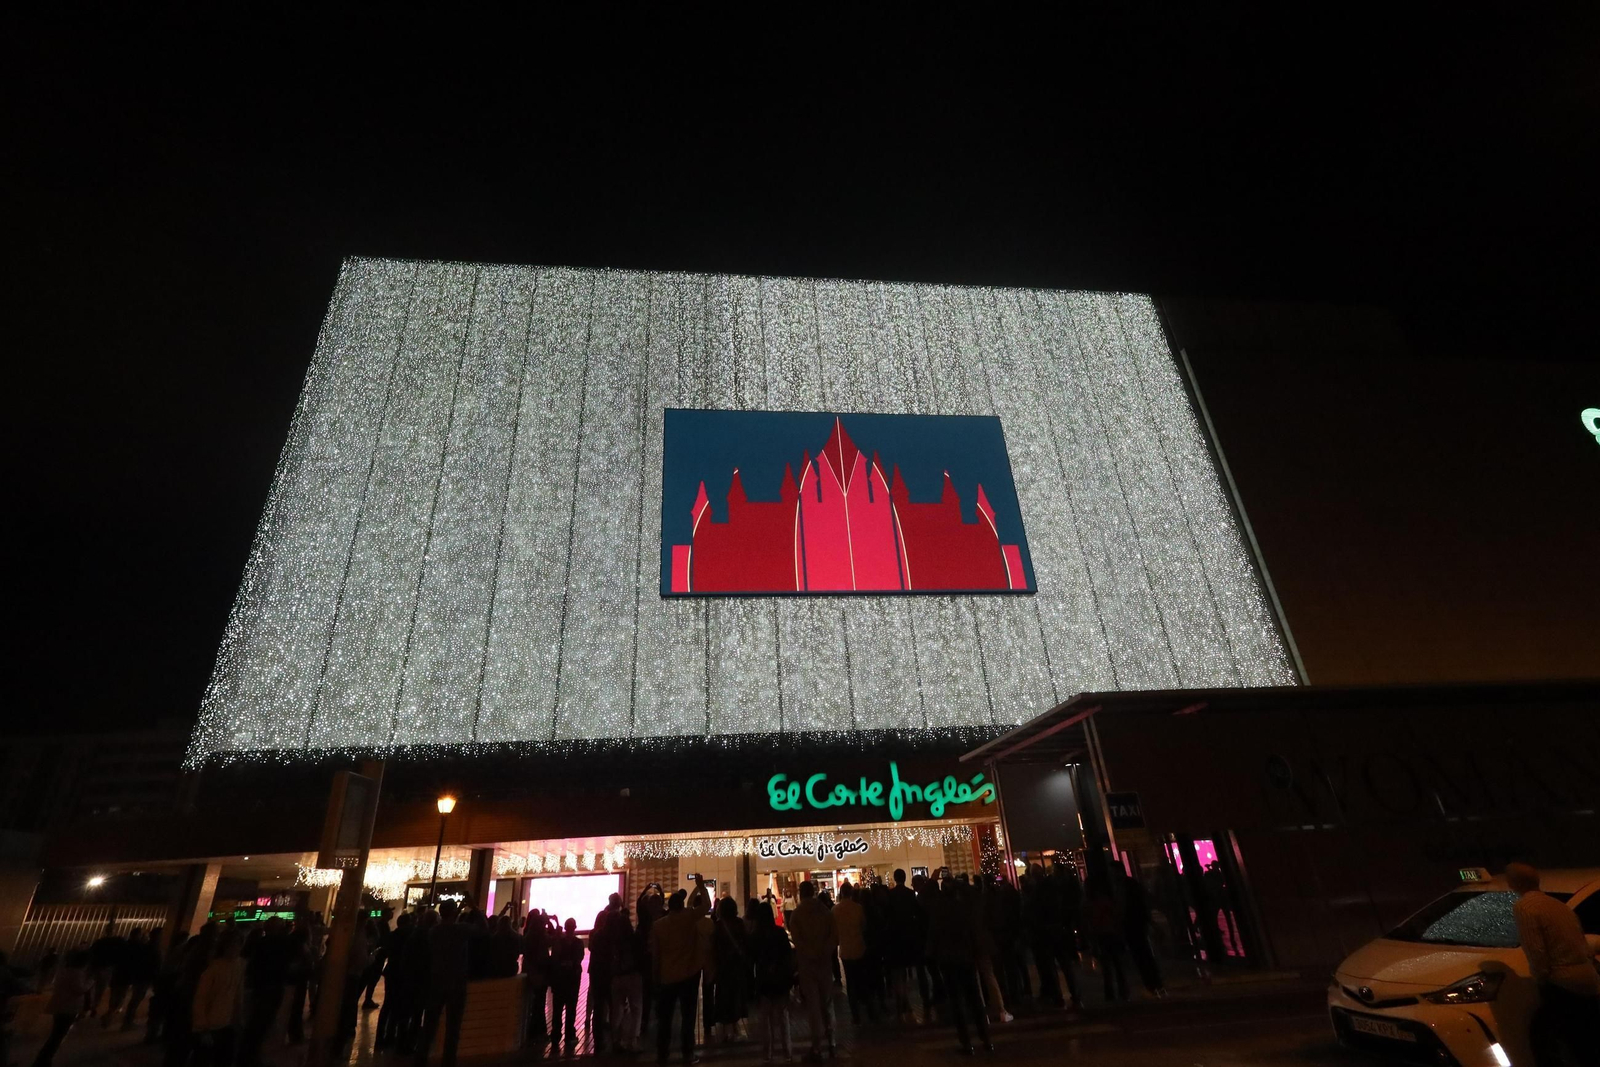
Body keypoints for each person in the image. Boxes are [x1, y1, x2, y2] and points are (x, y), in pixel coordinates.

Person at [1507, 862, 1600, 1065]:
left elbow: (1536, 949)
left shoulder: (1525, 907)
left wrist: (1541, 977)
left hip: (1562, 982)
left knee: (1570, 1042)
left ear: (1513, 883)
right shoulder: (1559, 906)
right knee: (1590, 1040)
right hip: (1587, 979)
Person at [926, 879, 991, 1054]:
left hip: (948, 960)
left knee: (957, 1001)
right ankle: (985, 1038)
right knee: (974, 999)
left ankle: (966, 1042)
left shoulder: (939, 911)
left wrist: (932, 954)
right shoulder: (964, 909)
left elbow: (934, 935)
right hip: (966, 958)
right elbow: (973, 932)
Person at [650, 889, 713, 1066]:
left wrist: (655, 978)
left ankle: (662, 1054)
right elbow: (707, 906)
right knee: (688, 1016)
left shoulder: (658, 926)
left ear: (668, 907)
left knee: (665, 1018)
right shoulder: (688, 918)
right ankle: (687, 1053)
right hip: (688, 975)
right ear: (682, 906)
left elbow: (656, 955)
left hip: (667, 977)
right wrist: (701, 885)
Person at [416, 900, 475, 1067]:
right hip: (456, 983)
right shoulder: (459, 930)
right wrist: (474, 908)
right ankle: (448, 1061)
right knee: (453, 1028)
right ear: (453, 913)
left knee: (429, 1024)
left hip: (437, 981)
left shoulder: (434, 931)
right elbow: (482, 928)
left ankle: (420, 1059)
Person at [787, 880, 838, 1060]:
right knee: (827, 1002)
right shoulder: (825, 912)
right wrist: (824, 951)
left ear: (801, 893)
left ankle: (816, 1046)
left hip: (808, 965)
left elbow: (797, 940)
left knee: (813, 1007)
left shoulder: (797, 914)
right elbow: (834, 936)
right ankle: (832, 1041)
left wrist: (810, 953)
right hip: (824, 964)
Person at [238, 915, 292, 1067]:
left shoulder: (259, 944)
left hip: (260, 987)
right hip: (271, 987)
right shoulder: (280, 944)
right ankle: (250, 1056)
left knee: (256, 1023)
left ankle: (248, 1055)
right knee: (261, 1023)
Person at [749, 901, 795, 1063]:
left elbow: (752, 959)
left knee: (765, 1019)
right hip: (780, 980)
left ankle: (768, 1053)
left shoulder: (755, 936)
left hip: (763, 981)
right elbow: (787, 955)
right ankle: (787, 1051)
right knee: (783, 1017)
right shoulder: (780, 933)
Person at [191, 934, 245, 1066]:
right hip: (210, 1024)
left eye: (237, 945)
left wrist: (237, 1018)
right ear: (224, 947)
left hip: (228, 1023)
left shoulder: (238, 965)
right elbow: (201, 999)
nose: (235, 948)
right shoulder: (213, 968)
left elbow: (238, 995)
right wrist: (202, 1027)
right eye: (232, 945)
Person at [32, 948, 90, 1067]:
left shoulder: (64, 971)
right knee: (58, 1036)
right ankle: (44, 1060)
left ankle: (44, 1059)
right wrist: (90, 983)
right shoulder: (77, 973)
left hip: (59, 1005)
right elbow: (80, 989)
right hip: (68, 1008)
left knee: (56, 1034)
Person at [606, 902, 647, 1053]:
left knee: (617, 1009)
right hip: (633, 976)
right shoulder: (634, 938)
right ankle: (632, 1041)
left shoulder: (613, 940)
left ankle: (616, 1040)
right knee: (636, 1008)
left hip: (616, 977)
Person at [832, 883, 874, 1025]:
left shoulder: (835, 910)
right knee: (863, 980)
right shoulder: (858, 908)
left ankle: (855, 1013)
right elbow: (864, 926)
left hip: (845, 950)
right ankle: (869, 1010)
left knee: (850, 983)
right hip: (859, 948)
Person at [710, 896, 750, 1042]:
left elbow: (714, 947)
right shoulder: (739, 923)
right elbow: (746, 943)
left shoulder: (718, 925)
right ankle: (736, 1026)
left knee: (724, 995)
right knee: (736, 994)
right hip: (737, 966)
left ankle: (727, 1029)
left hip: (723, 967)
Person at [1119, 871, 1165, 997]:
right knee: (1144, 953)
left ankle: (1151, 981)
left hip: (1133, 923)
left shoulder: (1123, 888)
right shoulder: (1131, 886)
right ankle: (1154, 981)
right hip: (1138, 922)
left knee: (1141, 953)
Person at [1086, 870, 1129, 1003]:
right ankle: (1122, 991)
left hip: (1103, 934)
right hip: (1110, 932)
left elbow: (1093, 920)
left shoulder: (1093, 903)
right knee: (1116, 964)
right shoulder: (1108, 900)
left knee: (1108, 965)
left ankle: (1111, 993)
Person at [374, 912, 415, 1050]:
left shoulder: (393, 936)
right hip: (402, 973)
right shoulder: (409, 936)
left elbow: (384, 952)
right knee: (399, 1004)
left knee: (388, 1004)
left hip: (392, 972)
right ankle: (393, 1035)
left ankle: (382, 1036)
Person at [550, 917, 584, 1049]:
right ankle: (569, 1035)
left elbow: (554, 958)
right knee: (571, 1009)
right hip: (572, 980)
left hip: (559, 980)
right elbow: (579, 959)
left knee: (557, 1010)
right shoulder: (578, 943)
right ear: (574, 928)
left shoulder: (559, 943)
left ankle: (555, 1036)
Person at [520, 910, 552, 1048]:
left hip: (531, 973)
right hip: (540, 973)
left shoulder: (528, 937)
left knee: (535, 1003)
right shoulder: (542, 939)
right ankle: (538, 1032)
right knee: (539, 1002)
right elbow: (553, 937)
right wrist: (551, 921)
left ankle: (534, 1032)